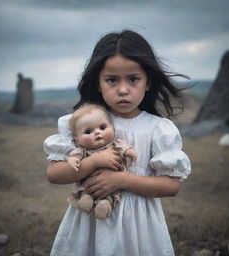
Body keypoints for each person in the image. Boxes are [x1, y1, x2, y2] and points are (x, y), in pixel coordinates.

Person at [44, 29, 191, 256]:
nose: (123, 89)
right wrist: (93, 163)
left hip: (139, 229)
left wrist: (120, 179)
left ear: (148, 81)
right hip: (89, 224)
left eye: (133, 79)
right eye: (112, 80)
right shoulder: (85, 123)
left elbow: (171, 186)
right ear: (98, 82)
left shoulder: (157, 129)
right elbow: (54, 174)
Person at [66, 103, 137, 220]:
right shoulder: (83, 150)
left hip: (112, 184)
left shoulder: (114, 145)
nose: (97, 132)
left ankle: (105, 204)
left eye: (103, 127)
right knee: (87, 189)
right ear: (77, 140)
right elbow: (75, 155)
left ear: (112, 128)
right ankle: (86, 198)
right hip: (90, 185)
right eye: (88, 131)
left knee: (110, 195)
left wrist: (128, 151)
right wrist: (73, 160)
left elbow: (123, 148)